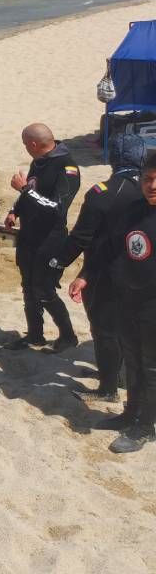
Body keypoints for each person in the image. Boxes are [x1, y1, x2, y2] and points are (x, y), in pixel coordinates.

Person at [56, 134, 147, 404]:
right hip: (143, 273)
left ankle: (108, 388)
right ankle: (117, 375)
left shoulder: (103, 193)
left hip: (109, 272)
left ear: (113, 159)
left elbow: (83, 237)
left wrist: (58, 263)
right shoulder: (146, 190)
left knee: (105, 329)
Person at [3, 123, 80, 353]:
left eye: (26, 144)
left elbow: (57, 207)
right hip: (29, 235)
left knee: (44, 289)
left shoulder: (67, 167)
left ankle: (68, 336)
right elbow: (35, 192)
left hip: (51, 239)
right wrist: (15, 210)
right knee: (28, 287)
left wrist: (24, 190)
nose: (25, 148)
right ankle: (34, 335)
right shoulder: (39, 161)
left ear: (34, 144)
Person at [103, 156, 156, 453]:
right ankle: (131, 412)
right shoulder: (131, 211)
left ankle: (146, 426)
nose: (152, 185)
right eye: (147, 178)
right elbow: (115, 250)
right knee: (132, 360)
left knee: (151, 367)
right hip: (128, 300)